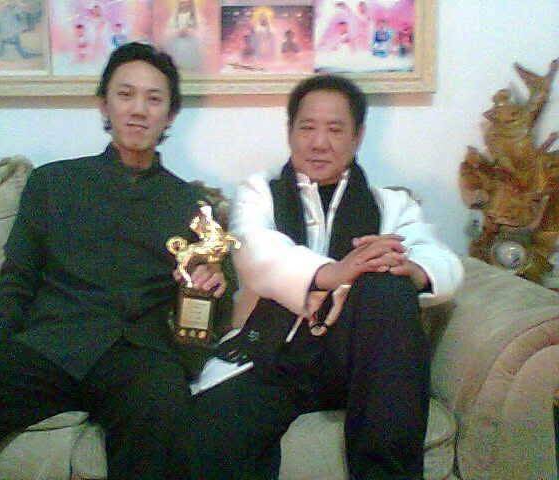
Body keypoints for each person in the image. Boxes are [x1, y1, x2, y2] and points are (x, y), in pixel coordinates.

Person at [0, 42, 231, 480]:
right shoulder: (53, 183)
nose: (138, 110)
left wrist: (212, 288)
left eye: (154, 99)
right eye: (125, 94)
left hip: (138, 355)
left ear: (170, 114)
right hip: (51, 345)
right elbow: (17, 277)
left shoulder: (193, 206)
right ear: (104, 104)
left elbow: (207, 315)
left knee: (164, 410)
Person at [194, 74, 464, 480]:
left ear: (357, 137)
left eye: (335, 129)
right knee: (215, 428)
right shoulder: (260, 193)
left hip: (354, 362)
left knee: (388, 282)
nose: (320, 143)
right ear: (290, 132)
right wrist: (334, 272)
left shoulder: (389, 204)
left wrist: (411, 270)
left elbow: (444, 262)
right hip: (271, 354)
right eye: (308, 127)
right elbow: (254, 251)